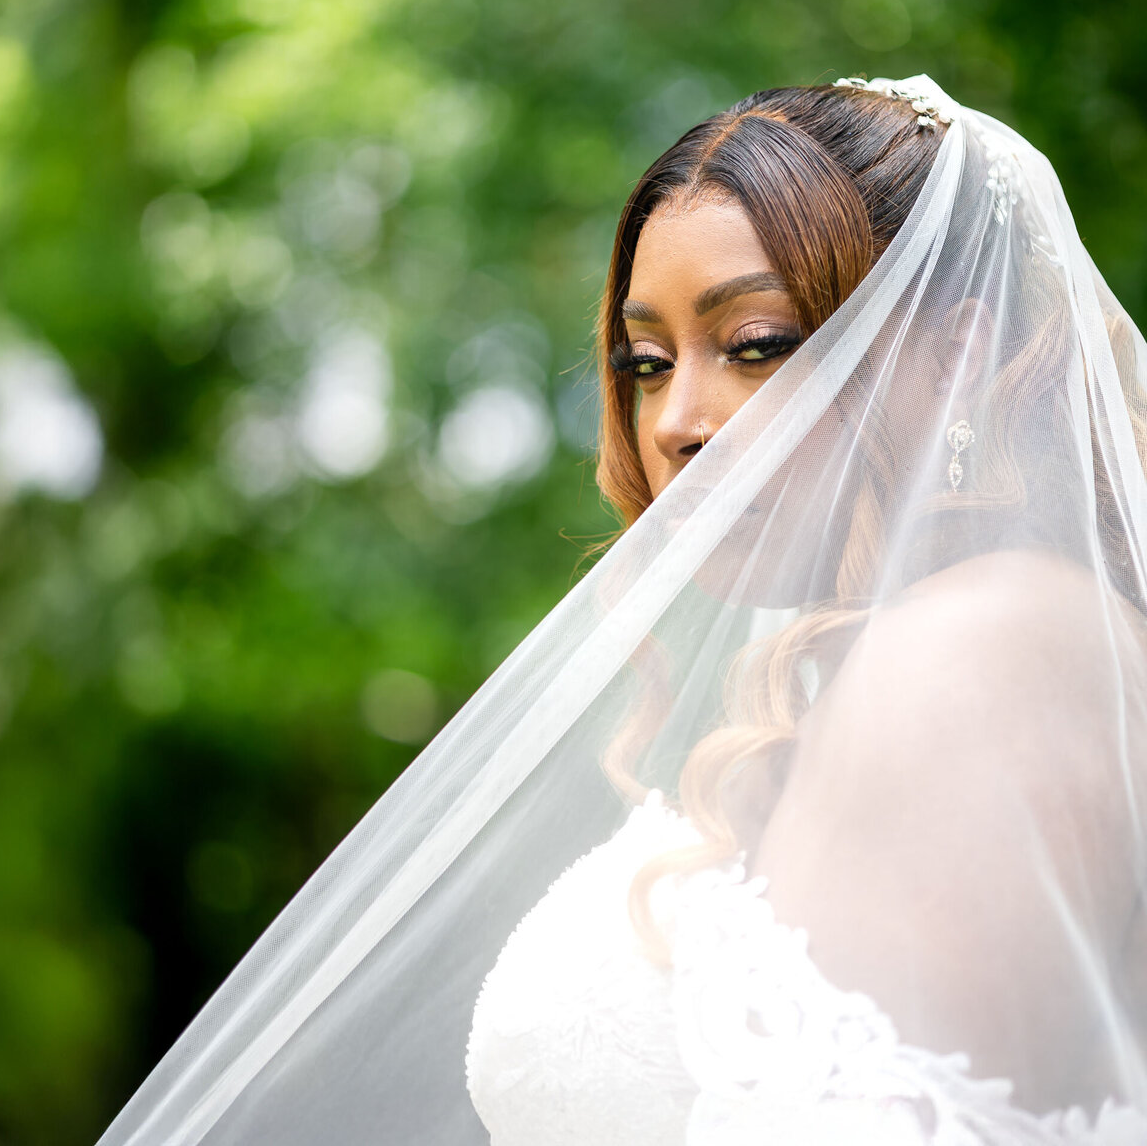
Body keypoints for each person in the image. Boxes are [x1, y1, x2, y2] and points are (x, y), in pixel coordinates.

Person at [99, 77, 1147, 1145]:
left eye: (757, 342)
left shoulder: (987, 649)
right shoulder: (902, 661)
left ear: (958, 354)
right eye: (646, 363)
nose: (677, 422)